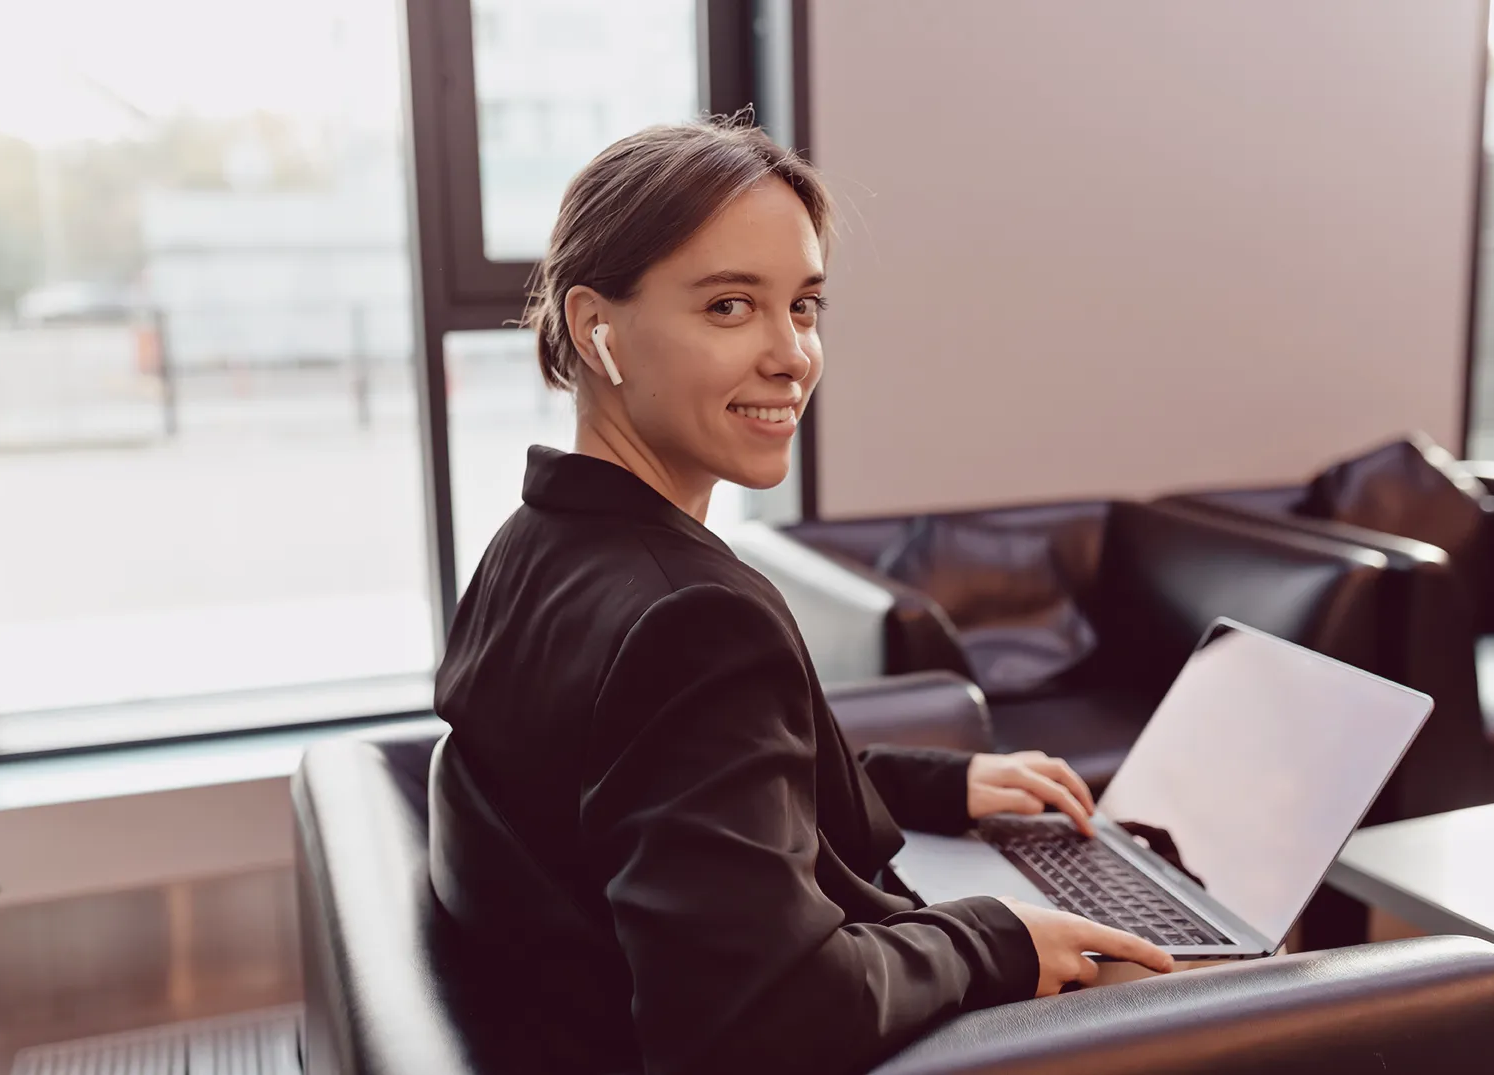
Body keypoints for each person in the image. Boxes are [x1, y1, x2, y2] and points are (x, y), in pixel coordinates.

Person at [430, 115, 1172, 1075]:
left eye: (805, 306)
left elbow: (643, 787)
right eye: (730, 307)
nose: (791, 355)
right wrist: (996, 939)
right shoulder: (691, 618)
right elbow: (757, 1022)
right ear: (594, 327)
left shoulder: (532, 543)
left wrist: (930, 783)